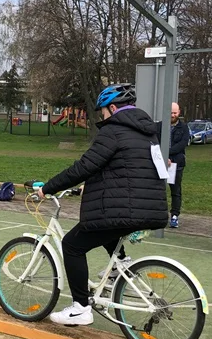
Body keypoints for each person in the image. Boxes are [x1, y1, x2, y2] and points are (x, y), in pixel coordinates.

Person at [35, 84, 168, 326]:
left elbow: (84, 166)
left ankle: (80, 308)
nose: (102, 117)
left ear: (113, 108)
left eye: (103, 112)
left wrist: (48, 187)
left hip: (126, 209)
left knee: (72, 245)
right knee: (103, 224)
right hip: (151, 207)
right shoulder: (148, 133)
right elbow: (130, 169)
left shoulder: (113, 130)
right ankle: (121, 265)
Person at [167, 102, 190, 228]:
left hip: (177, 164)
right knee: (158, 190)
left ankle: (174, 215)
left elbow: (182, 144)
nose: (173, 115)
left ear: (179, 112)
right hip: (160, 163)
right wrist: (163, 156)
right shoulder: (161, 126)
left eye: (175, 112)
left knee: (176, 191)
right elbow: (155, 140)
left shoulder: (184, 127)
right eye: (171, 112)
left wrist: (168, 154)